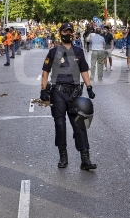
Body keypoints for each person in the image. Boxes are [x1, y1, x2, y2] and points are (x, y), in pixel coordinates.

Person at [40, 23, 97, 170]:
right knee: (60, 125)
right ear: (60, 33)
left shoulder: (78, 51)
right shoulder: (53, 52)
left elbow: (84, 70)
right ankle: (63, 157)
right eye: (65, 31)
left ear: (73, 34)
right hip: (57, 92)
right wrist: (43, 89)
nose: (68, 34)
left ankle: (85, 159)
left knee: (80, 125)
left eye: (70, 32)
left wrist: (89, 87)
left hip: (74, 93)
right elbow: (45, 71)